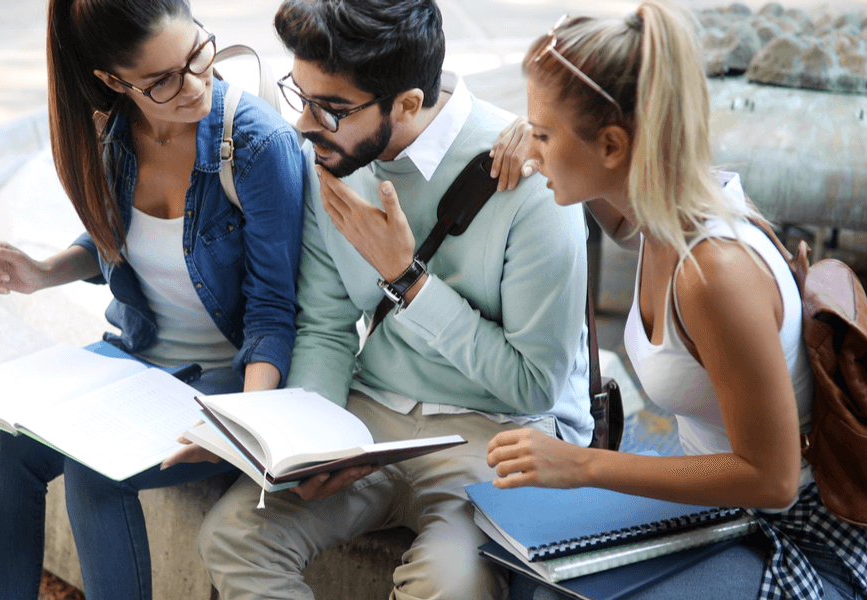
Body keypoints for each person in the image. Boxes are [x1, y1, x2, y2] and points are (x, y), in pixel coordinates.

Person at [485, 2, 867, 599]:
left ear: (612, 144)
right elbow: (617, 218)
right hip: (724, 512)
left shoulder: (712, 275)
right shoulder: (664, 209)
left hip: (803, 541)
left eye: (544, 132)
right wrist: (532, 140)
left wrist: (581, 466)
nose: (531, 144)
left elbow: (774, 478)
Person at [196, 1, 591, 598]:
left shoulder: (531, 183)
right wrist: (316, 440)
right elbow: (326, 326)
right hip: (370, 419)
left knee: (449, 586)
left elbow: (533, 385)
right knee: (231, 536)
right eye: (300, 96)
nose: (303, 124)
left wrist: (408, 281)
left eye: (329, 109)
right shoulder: (330, 156)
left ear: (407, 103)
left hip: (495, 433)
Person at [0, 1, 305, 598]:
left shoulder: (256, 146)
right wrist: (44, 272)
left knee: (95, 471)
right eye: (162, 81)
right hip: (134, 359)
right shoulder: (113, 135)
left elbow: (274, 311)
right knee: (5, 449)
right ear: (113, 82)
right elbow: (118, 244)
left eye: (198, 53)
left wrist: (248, 425)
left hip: (228, 382)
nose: (194, 84)